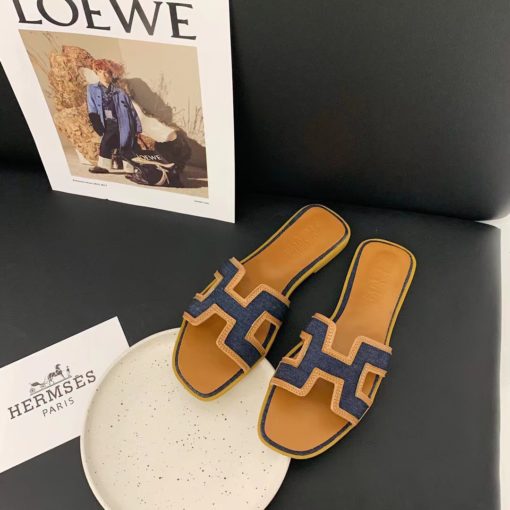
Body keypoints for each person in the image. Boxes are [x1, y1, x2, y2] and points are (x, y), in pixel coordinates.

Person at [86, 59, 142, 173]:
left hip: (124, 123)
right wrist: (97, 124)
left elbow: (131, 110)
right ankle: (104, 166)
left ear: (111, 73)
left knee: (126, 144)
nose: (104, 75)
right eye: (100, 72)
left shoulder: (120, 92)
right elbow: (92, 108)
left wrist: (137, 128)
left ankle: (130, 168)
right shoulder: (92, 88)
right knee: (106, 142)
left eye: (107, 72)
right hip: (108, 122)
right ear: (96, 73)